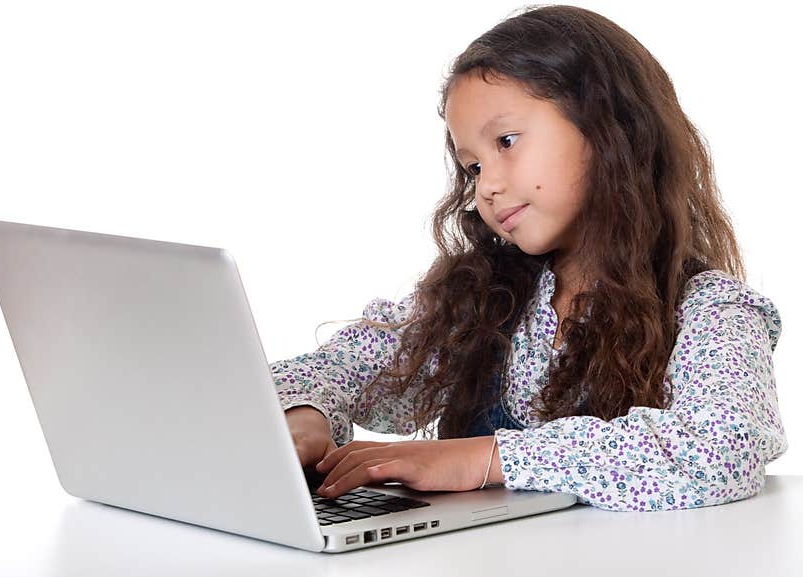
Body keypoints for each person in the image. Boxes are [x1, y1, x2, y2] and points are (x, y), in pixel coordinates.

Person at [270, 5, 787, 512]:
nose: (487, 188)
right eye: (472, 166)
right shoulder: (482, 301)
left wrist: (486, 458)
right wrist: (304, 413)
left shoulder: (712, 310)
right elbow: (339, 367)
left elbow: (722, 451)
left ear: (609, 128)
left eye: (507, 142)